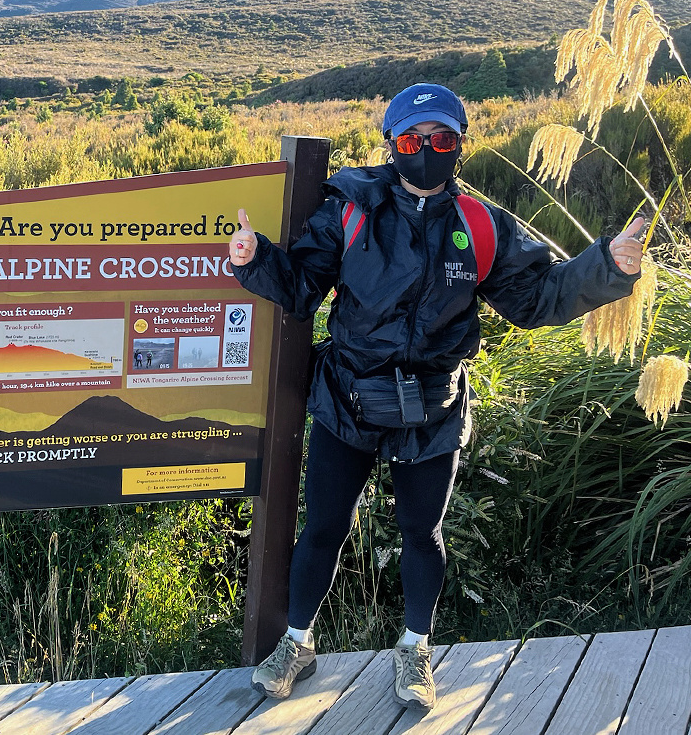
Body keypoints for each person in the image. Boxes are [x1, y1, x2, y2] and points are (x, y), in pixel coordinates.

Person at [228, 83, 645, 710]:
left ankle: (414, 650)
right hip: (349, 401)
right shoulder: (351, 207)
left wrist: (607, 266)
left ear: (460, 147)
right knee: (322, 529)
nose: (426, 151)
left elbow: (540, 297)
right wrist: (253, 258)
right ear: (391, 145)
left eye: (442, 139)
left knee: (423, 534)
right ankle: (296, 644)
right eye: (410, 139)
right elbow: (302, 286)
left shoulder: (481, 225)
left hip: (432, 407)